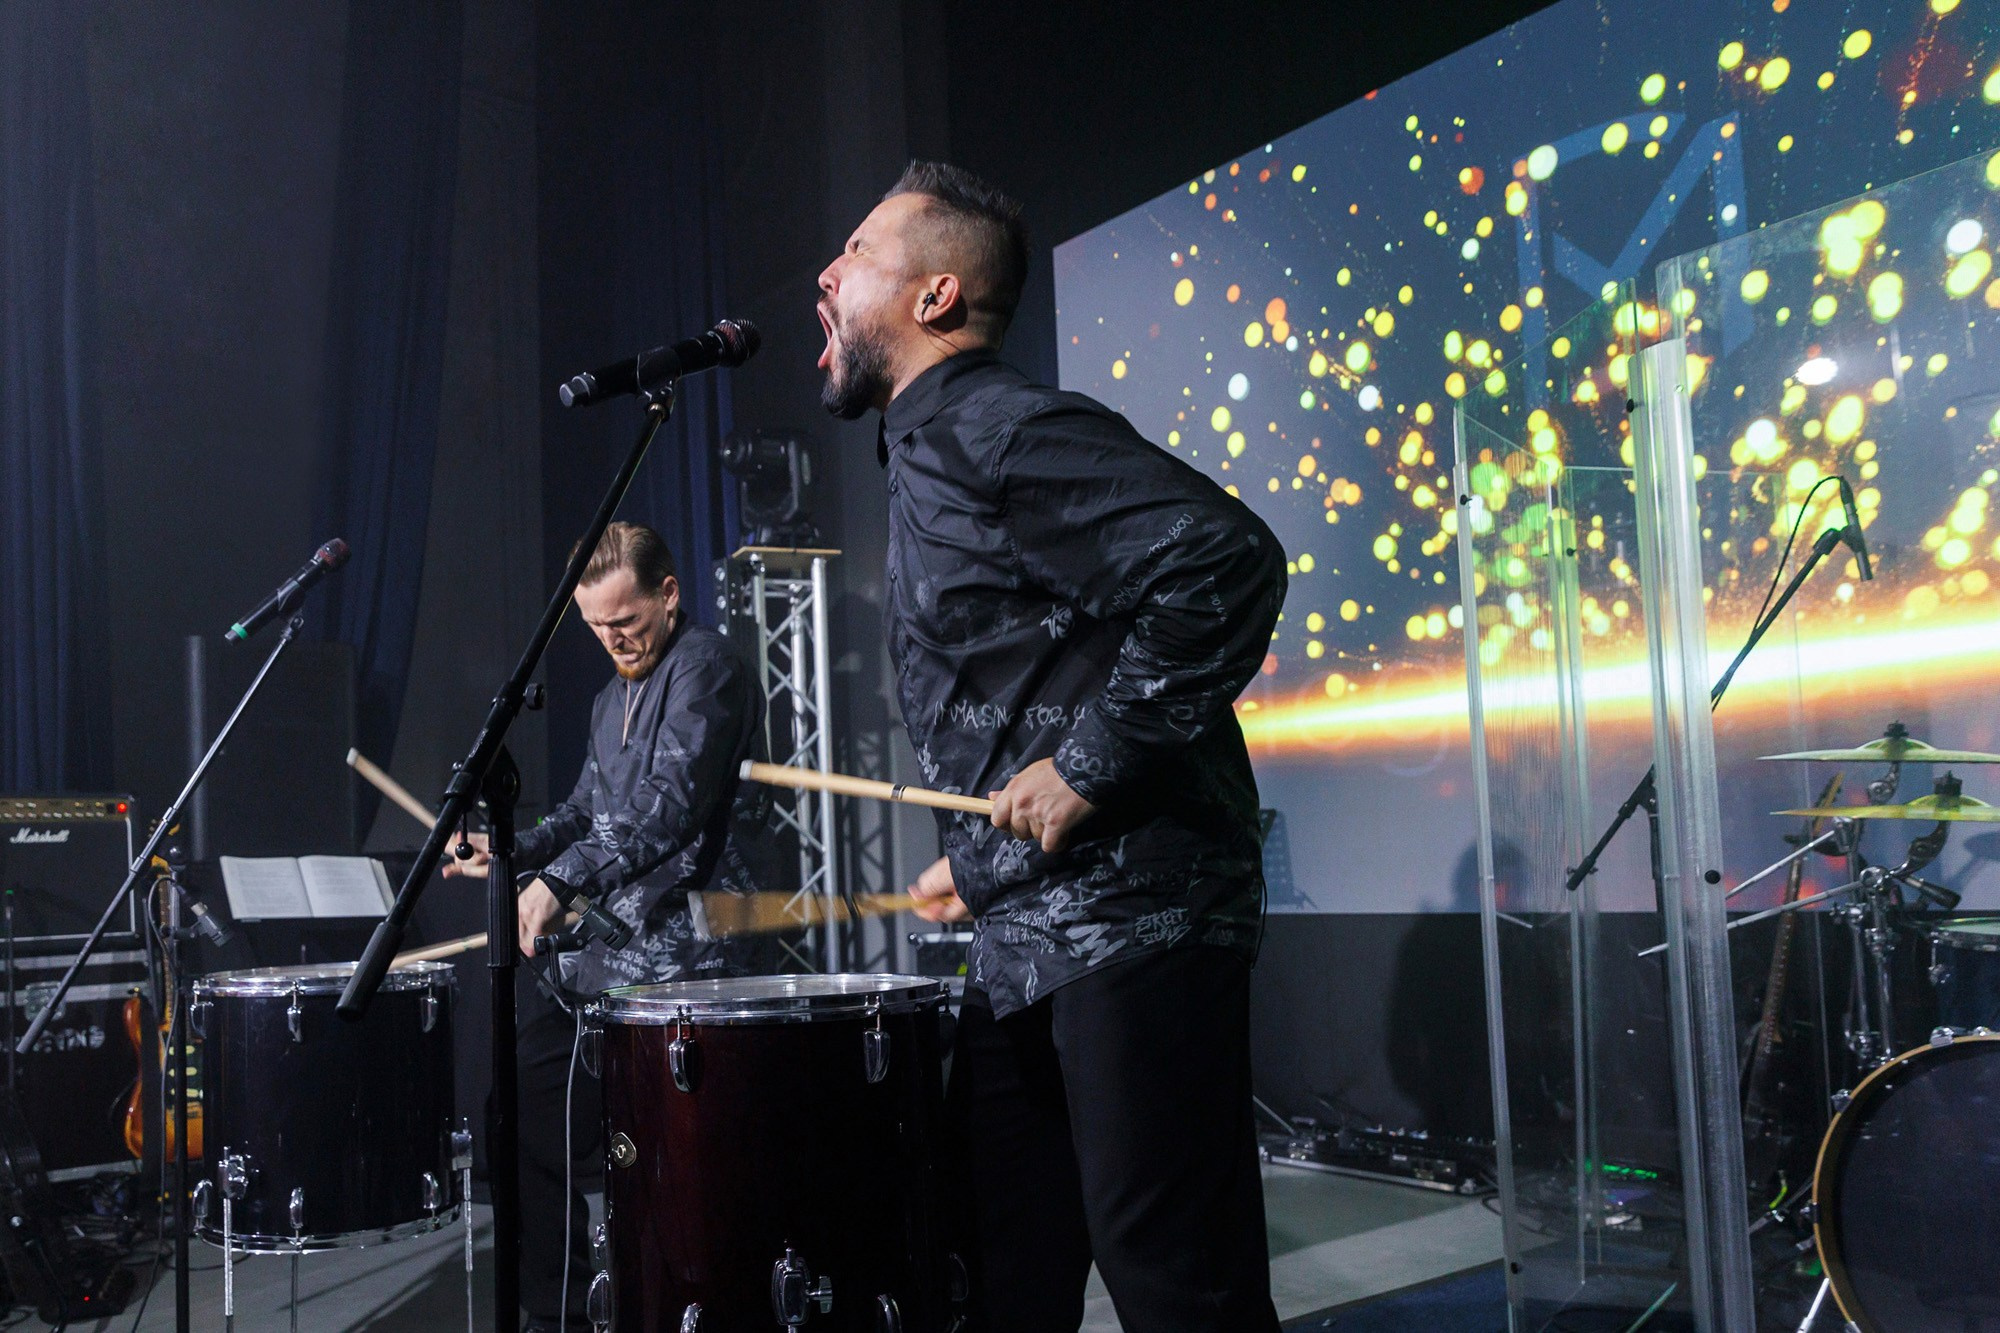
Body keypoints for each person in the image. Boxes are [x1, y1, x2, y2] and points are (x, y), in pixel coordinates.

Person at [816, 161, 1288, 1332]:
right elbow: (1031, 688)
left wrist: (1087, 766)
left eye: (858, 255)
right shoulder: (928, 451)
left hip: (1132, 930)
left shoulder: (994, 422)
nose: (825, 274)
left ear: (933, 298)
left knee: (1179, 1289)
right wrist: (971, 867)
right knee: (997, 1271)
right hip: (1034, 935)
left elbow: (1225, 560)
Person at [444, 521, 779, 1332]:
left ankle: (698, 1300)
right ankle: (556, 1309)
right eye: (596, 627)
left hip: (696, 956)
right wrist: (512, 848)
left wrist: (561, 880)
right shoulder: (608, 699)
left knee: (686, 1159)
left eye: (625, 622)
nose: (613, 640)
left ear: (668, 594)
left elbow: (669, 805)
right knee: (515, 1101)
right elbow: (587, 809)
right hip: (609, 956)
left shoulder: (709, 669)